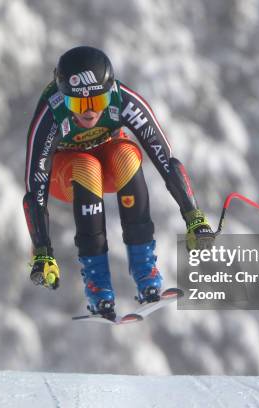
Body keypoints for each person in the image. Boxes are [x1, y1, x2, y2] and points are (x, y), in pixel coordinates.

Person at [23, 46, 214, 320]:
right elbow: (34, 188)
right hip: (65, 174)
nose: (89, 113)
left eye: (97, 102)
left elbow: (165, 158)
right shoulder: (51, 113)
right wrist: (42, 251)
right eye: (78, 105)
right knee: (87, 166)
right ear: (63, 98)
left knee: (126, 155)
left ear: (110, 91)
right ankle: (97, 288)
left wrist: (194, 217)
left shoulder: (123, 99)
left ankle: (146, 273)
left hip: (109, 160)